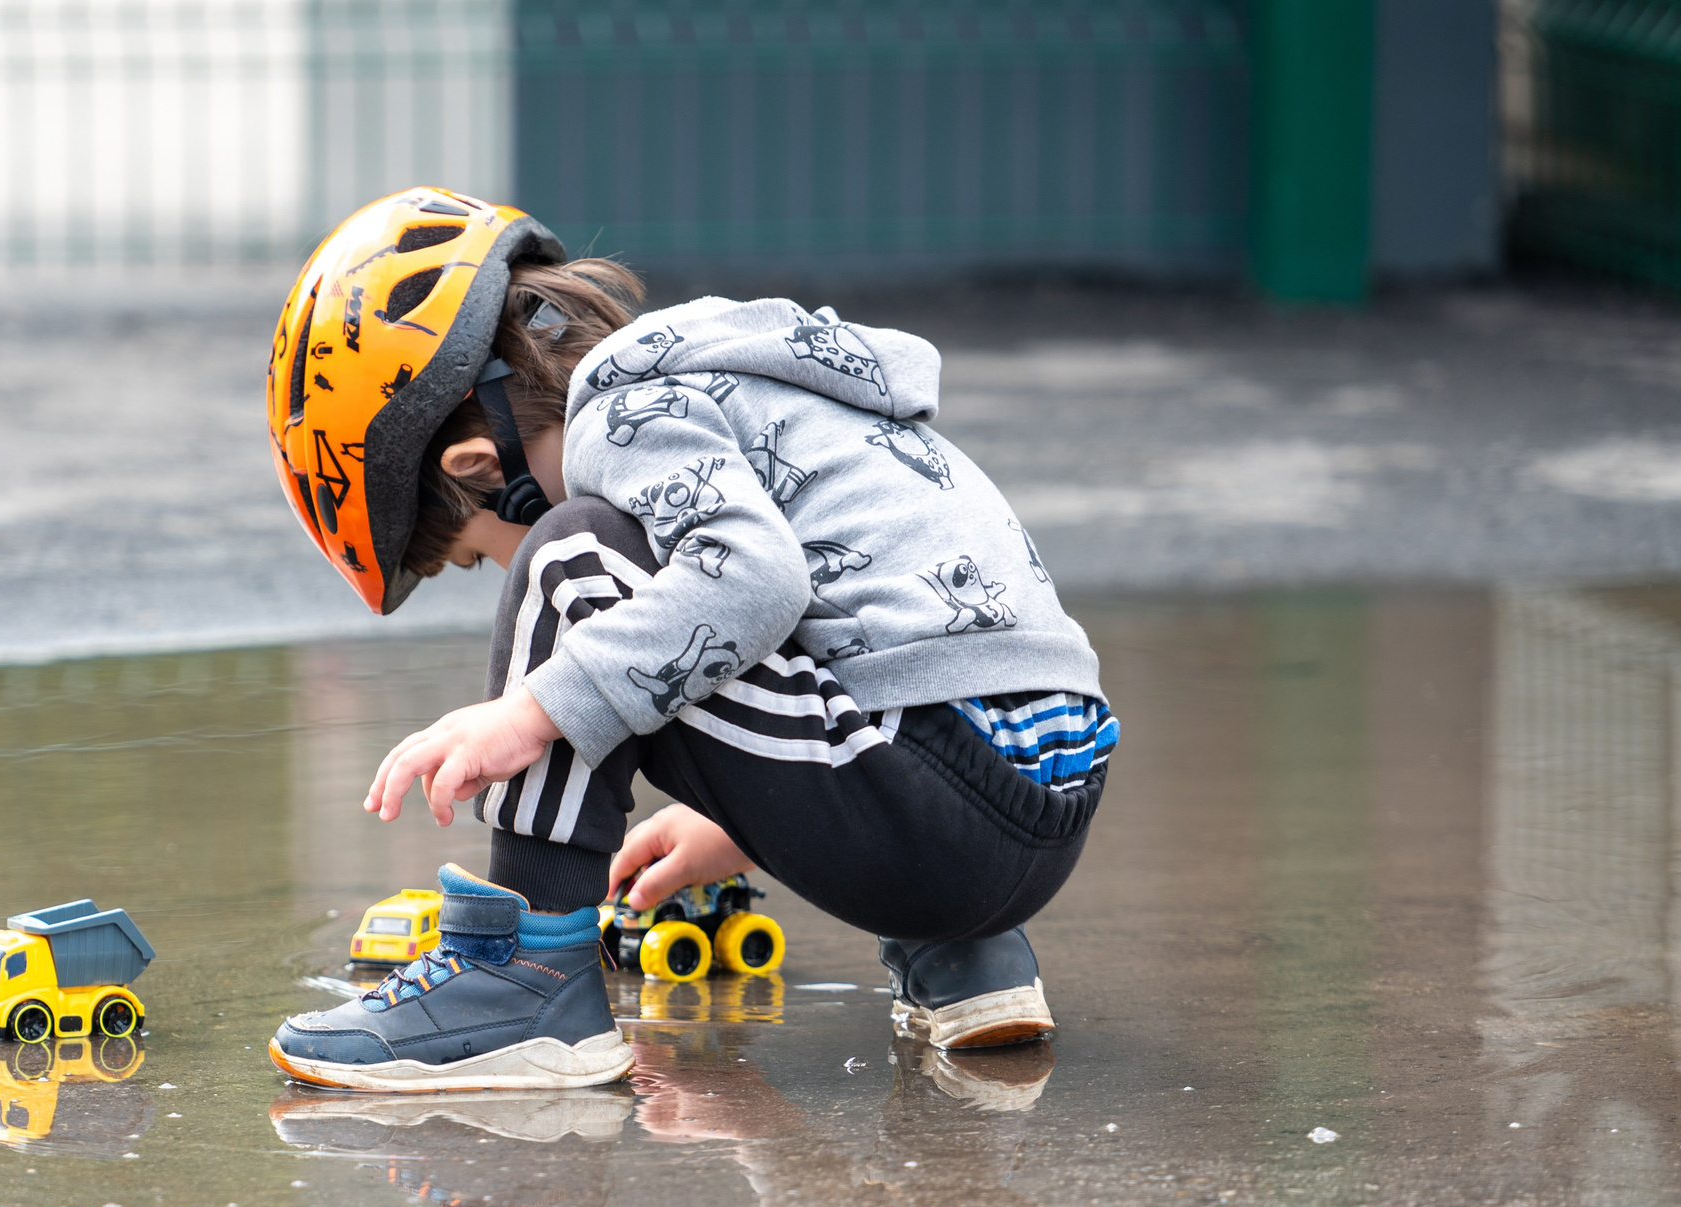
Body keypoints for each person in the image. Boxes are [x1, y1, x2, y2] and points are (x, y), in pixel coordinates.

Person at [263, 188, 1114, 1091]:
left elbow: (754, 581)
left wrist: (529, 712)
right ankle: (969, 960)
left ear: (477, 468)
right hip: (1035, 810)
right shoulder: (747, 389)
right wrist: (740, 822)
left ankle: (519, 974)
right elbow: (856, 624)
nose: (494, 575)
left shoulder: (619, 420)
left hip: (939, 811)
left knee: (573, 556)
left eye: (475, 555)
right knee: (694, 601)